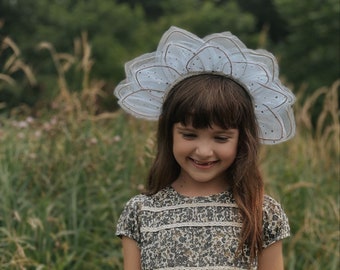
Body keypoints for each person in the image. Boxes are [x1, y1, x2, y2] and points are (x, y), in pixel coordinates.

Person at [114, 26, 295, 270]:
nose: (203, 151)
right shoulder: (141, 211)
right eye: (189, 135)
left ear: (242, 140)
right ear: (169, 134)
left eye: (220, 138)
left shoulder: (261, 211)